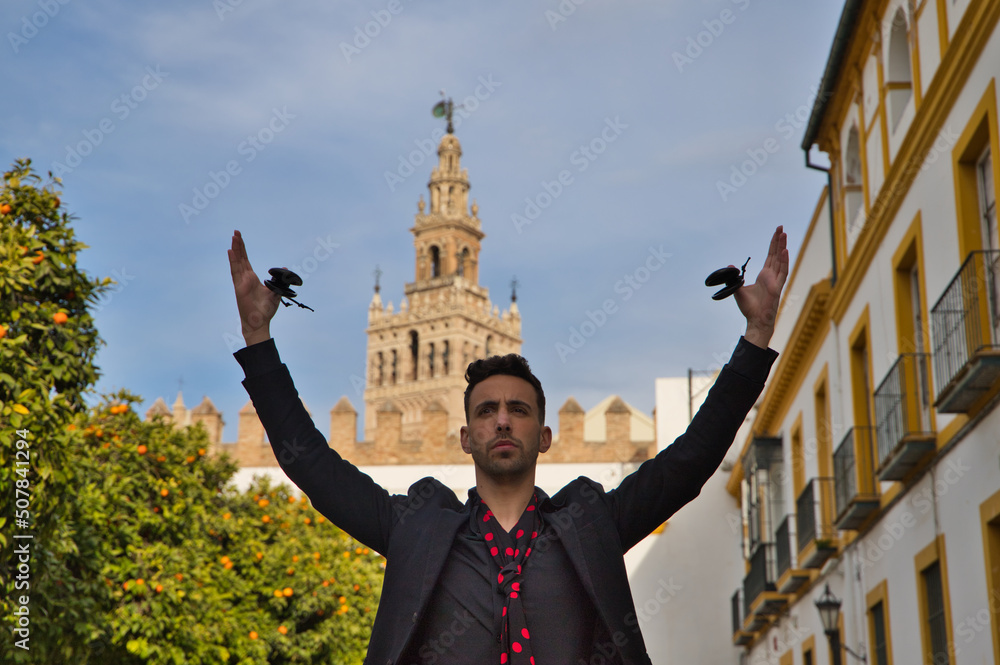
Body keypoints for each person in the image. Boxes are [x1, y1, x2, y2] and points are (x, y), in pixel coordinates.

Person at [228, 226, 788, 664]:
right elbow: (314, 468)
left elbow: (691, 459)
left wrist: (756, 337)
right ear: (465, 437)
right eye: (487, 411)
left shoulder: (593, 524)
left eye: (518, 410)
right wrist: (258, 338)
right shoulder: (414, 530)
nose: (502, 422)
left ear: (544, 437)